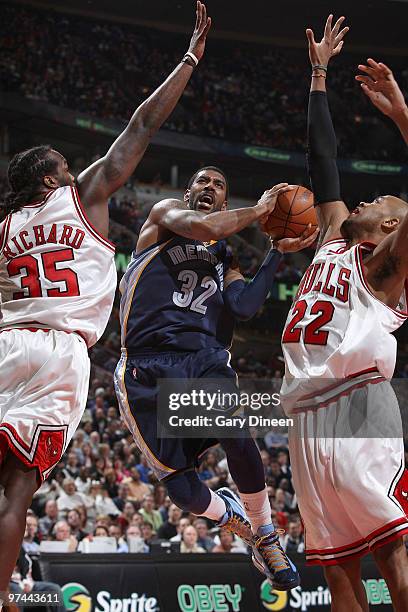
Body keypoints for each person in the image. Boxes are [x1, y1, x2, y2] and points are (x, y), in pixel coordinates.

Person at [0, 1, 212, 598]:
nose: (73, 172)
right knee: (17, 489)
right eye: (64, 167)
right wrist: (190, 57)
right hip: (59, 352)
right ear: (49, 179)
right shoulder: (80, 197)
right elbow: (140, 127)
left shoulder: (5, 225)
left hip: (5, 342)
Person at [115, 157, 317, 590]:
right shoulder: (165, 216)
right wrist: (262, 211)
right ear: (188, 194)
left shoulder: (224, 254)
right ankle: (230, 516)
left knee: (237, 435)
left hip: (205, 357)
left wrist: (276, 255)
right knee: (183, 491)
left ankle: (264, 534)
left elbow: (243, 306)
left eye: (219, 184)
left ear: (225, 198)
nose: (210, 186)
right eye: (202, 181)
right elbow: (205, 228)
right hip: (146, 364)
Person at [280, 14, 408, 609]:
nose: (361, 197)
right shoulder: (334, 235)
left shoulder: (386, 268)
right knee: (336, 569)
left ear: (390, 226)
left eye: (378, 199)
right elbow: (321, 157)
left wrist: (402, 116)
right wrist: (318, 74)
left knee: (392, 550)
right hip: (306, 413)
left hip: (359, 404)